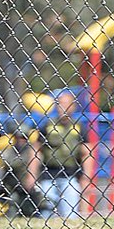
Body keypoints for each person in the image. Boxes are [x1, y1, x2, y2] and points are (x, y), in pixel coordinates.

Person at [38, 91, 86, 219]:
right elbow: (37, 149)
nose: (63, 108)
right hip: (48, 173)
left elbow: (86, 152)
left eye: (67, 104)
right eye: (60, 104)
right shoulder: (48, 125)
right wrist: (32, 173)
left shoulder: (79, 127)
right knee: (46, 210)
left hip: (71, 174)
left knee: (71, 212)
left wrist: (87, 176)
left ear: (73, 106)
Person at [0, 128, 44, 218]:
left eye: (24, 138)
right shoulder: (8, 152)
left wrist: (31, 179)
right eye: (19, 138)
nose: (21, 140)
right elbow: (4, 167)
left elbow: (35, 164)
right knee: (13, 205)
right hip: (12, 185)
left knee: (31, 208)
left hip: (28, 187)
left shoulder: (32, 151)